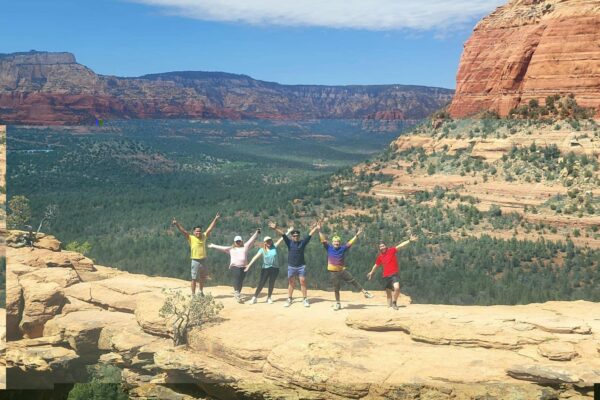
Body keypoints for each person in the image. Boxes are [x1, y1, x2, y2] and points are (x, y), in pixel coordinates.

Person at [317, 224, 373, 311]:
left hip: (342, 270)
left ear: (339, 242)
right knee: (336, 288)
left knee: (353, 281)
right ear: (332, 242)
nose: (336, 243)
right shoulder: (329, 248)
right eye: (335, 241)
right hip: (333, 272)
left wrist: (357, 235)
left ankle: (364, 292)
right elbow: (323, 240)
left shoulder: (342, 248)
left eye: (338, 241)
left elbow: (350, 242)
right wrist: (319, 231)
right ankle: (338, 303)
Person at [268, 221, 318, 308]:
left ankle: (305, 299)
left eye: (297, 236)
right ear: (292, 237)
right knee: (291, 283)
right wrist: (275, 228)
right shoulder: (289, 242)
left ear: (299, 236)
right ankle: (289, 298)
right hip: (291, 266)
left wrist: (316, 228)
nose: (296, 237)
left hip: (301, 266)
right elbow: (283, 234)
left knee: (302, 282)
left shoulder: (302, 243)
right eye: (294, 236)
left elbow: (310, 235)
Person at [172, 212, 221, 296]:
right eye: (197, 231)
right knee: (194, 278)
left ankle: (201, 292)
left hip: (203, 260)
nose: (198, 232)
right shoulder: (191, 238)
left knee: (202, 278)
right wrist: (176, 224)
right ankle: (193, 294)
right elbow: (183, 231)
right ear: (194, 232)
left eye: (199, 231)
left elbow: (210, 228)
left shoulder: (204, 236)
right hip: (194, 260)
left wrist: (215, 219)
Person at [208, 229, 260, 303]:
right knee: (237, 278)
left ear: (241, 241)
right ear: (234, 242)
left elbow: (251, 239)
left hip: (244, 266)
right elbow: (222, 247)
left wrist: (256, 233)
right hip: (235, 266)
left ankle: (238, 293)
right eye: (237, 241)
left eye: (239, 241)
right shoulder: (231, 249)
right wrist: (213, 245)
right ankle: (236, 292)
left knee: (241, 280)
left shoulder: (245, 246)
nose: (238, 242)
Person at [367, 235, 417, 310]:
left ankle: (394, 303)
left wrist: (409, 241)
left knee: (397, 288)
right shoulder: (380, 257)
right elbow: (376, 265)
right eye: (380, 247)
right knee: (388, 293)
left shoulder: (391, 250)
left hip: (394, 274)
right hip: (386, 276)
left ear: (385, 246)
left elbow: (400, 246)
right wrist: (371, 272)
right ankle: (389, 307)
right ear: (379, 248)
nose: (382, 247)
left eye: (383, 246)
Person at [245, 228, 292, 304]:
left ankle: (269, 297)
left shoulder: (274, 246)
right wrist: (248, 266)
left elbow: (281, 239)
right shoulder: (262, 249)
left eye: (270, 240)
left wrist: (288, 232)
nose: (269, 242)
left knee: (271, 283)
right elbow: (255, 257)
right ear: (265, 243)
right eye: (267, 241)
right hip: (265, 268)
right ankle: (255, 297)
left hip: (275, 268)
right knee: (262, 283)